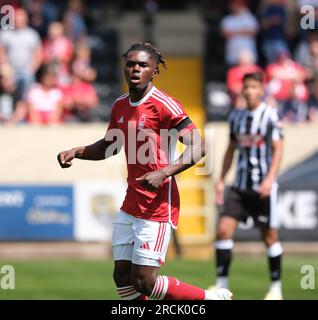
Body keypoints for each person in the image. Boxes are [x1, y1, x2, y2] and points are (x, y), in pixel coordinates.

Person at [57, 42, 232, 300]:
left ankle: (210, 299)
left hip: (158, 203)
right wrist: (77, 151)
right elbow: (109, 146)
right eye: (131, 64)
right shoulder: (120, 105)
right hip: (132, 202)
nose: (135, 69)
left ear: (154, 72)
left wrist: (164, 172)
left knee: (144, 280)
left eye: (142, 65)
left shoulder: (165, 105)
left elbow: (198, 147)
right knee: (122, 277)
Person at [208, 72, 284, 300]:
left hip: (262, 188)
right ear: (242, 90)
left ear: (261, 90)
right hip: (239, 187)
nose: (250, 91)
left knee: (269, 237)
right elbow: (230, 150)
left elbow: (278, 149)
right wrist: (221, 180)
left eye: (254, 87)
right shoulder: (236, 117)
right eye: (246, 87)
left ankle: (276, 289)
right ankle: (221, 285)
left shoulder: (270, 116)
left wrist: (270, 178)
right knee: (223, 230)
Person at [220, 0, 259, 66]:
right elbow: (224, 33)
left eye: (238, 4)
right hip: (232, 55)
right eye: (233, 5)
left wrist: (233, 32)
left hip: (247, 56)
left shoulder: (249, 17)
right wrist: (243, 31)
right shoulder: (227, 19)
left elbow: (253, 32)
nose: (235, 7)